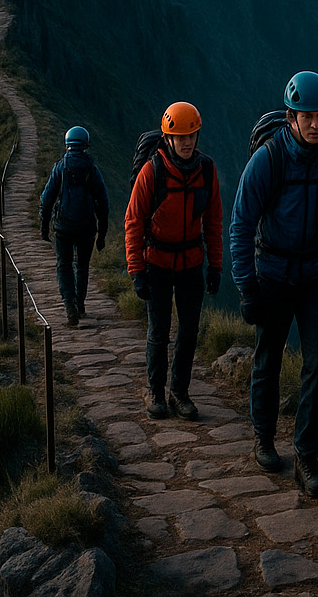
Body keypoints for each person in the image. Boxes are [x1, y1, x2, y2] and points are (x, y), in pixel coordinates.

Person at [230, 71, 318, 498]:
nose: (316, 123)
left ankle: (307, 456)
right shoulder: (268, 160)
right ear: (291, 117)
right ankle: (263, 438)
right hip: (272, 274)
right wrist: (246, 287)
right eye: (307, 116)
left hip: (316, 279)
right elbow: (240, 224)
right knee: (268, 356)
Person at [125, 101, 223, 420]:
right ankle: (156, 391)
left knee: (190, 330)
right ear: (167, 138)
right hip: (157, 265)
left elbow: (214, 221)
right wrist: (137, 271)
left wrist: (216, 266)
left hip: (192, 264)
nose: (187, 142)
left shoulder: (206, 170)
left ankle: (179, 392)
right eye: (180, 136)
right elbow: (134, 221)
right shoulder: (151, 172)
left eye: (192, 135)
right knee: (159, 330)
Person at [39, 126, 109, 328]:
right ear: (86, 144)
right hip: (87, 227)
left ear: (67, 144)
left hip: (63, 227)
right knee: (83, 265)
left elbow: (46, 199)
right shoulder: (92, 169)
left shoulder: (60, 167)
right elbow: (103, 202)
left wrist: (44, 227)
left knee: (64, 265)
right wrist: (101, 234)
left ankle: (69, 304)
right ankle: (80, 303)